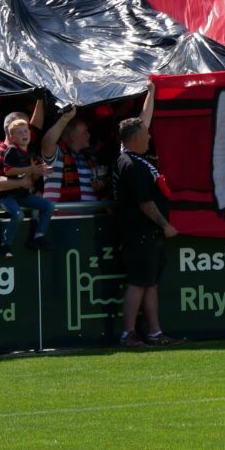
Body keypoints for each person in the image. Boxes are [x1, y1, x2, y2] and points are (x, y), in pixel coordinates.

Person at [116, 85, 180, 349]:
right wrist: (164, 224)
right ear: (133, 138)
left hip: (147, 235)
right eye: (145, 133)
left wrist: (152, 92)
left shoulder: (135, 157)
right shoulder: (130, 163)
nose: (150, 136)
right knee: (139, 283)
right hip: (139, 233)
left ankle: (154, 332)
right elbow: (144, 202)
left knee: (150, 283)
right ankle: (128, 333)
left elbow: (144, 118)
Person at [0, 115, 53, 258]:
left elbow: (30, 178)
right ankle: (4, 246)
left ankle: (38, 237)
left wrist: (38, 172)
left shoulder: (28, 152)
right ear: (11, 134)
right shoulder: (1, 152)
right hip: (4, 212)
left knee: (48, 206)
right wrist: (24, 179)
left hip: (23, 204)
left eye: (26, 130)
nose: (25, 133)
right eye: (20, 130)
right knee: (18, 215)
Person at [41, 105, 109, 202]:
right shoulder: (57, 154)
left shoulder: (90, 158)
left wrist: (100, 187)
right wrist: (65, 118)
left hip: (89, 214)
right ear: (72, 136)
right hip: (61, 215)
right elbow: (47, 143)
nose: (89, 135)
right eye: (85, 132)